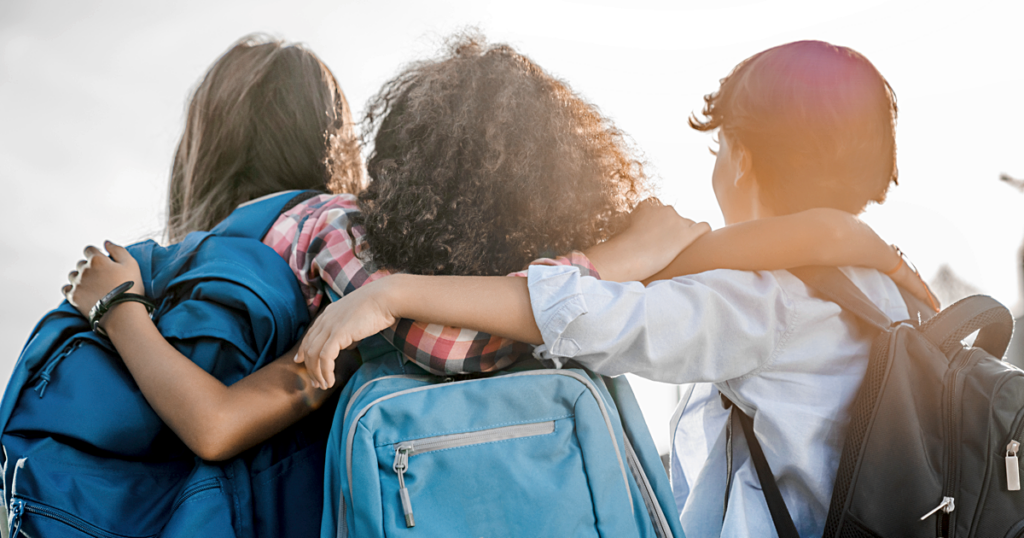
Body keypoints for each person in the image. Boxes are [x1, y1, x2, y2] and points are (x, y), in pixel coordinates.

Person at [294, 40, 930, 538]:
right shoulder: (879, 290)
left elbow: (574, 313)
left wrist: (392, 293)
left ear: (737, 157)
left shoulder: (764, 303)